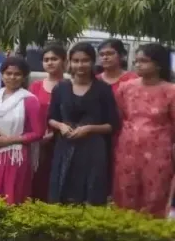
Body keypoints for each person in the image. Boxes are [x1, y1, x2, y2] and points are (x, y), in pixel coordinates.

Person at [46, 42, 118, 206]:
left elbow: (112, 125)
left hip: (93, 150)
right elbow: (50, 118)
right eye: (76, 61)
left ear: (92, 62)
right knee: (61, 196)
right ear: (69, 62)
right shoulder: (61, 88)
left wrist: (89, 129)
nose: (80, 65)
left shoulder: (103, 89)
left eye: (85, 60)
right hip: (65, 146)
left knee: (90, 196)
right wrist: (61, 126)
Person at [113, 43, 175, 218]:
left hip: (158, 153)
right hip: (127, 151)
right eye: (136, 61)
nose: (138, 65)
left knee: (155, 195)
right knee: (126, 192)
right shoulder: (126, 88)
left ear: (158, 64)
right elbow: (121, 115)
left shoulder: (171, 91)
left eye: (144, 61)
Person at [0, 56, 42, 205]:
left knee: (12, 195)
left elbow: (38, 133)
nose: (12, 77)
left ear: (24, 77)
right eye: (8, 73)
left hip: (15, 157)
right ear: (2, 75)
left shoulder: (30, 100)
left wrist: (8, 140)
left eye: (17, 74)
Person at [28, 43, 67, 201]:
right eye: (46, 59)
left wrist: (54, 133)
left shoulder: (69, 86)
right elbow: (29, 113)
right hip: (37, 140)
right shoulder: (35, 86)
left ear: (64, 61)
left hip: (62, 139)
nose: (50, 62)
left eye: (54, 59)